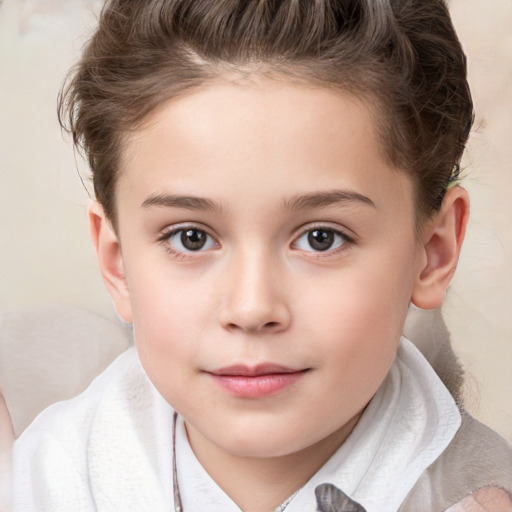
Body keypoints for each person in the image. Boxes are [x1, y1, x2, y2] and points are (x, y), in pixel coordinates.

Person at [10, 0, 512, 510]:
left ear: (433, 252)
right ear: (117, 264)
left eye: (321, 238)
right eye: (191, 238)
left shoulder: (478, 495)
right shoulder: (41, 479)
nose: (251, 308)